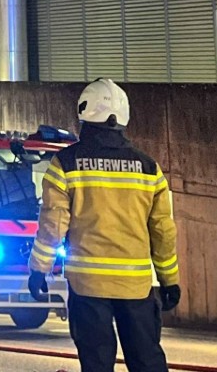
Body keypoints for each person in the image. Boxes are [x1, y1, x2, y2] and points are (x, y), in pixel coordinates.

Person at [27, 78, 180, 372]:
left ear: (84, 112)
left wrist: (39, 269)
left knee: (96, 364)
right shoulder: (148, 168)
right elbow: (162, 230)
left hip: (88, 286)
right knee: (147, 362)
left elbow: (53, 224)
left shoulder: (66, 163)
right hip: (135, 288)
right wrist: (169, 279)